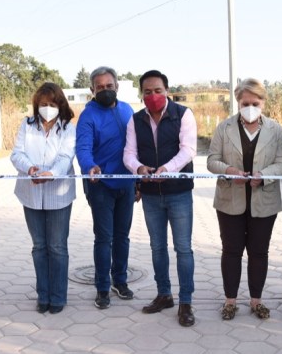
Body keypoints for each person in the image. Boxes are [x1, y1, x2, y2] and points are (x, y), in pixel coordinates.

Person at [206, 78, 282, 321]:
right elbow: (211, 160)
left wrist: (263, 176)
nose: (250, 107)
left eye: (255, 102)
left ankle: (256, 301)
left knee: (259, 252)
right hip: (230, 199)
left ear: (263, 102)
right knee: (231, 251)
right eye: (245, 103)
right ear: (238, 102)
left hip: (264, 200)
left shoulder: (275, 129)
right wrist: (230, 172)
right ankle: (230, 301)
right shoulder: (224, 127)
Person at [123, 70, 197, 327]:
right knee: (157, 248)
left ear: (167, 90)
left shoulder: (183, 114)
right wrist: (139, 169)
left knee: (183, 248)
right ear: (141, 94)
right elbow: (129, 154)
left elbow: (189, 150)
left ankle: (186, 301)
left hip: (179, 193)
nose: (152, 96)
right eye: (147, 91)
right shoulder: (135, 120)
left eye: (157, 90)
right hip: (151, 195)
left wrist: (168, 169)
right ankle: (164, 294)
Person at [11, 83, 76, 314]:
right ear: (36, 105)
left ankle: (58, 296)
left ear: (61, 105)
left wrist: (51, 174)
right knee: (39, 247)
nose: (47, 108)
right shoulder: (27, 125)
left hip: (59, 195)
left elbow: (66, 156)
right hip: (31, 193)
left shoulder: (68, 128)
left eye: (52, 104)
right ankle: (43, 295)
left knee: (57, 247)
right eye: (43, 104)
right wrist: (30, 170)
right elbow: (17, 153)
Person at [75, 66, 136, 310]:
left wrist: (139, 182)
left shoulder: (127, 110)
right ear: (92, 90)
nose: (105, 90)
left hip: (127, 185)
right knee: (104, 238)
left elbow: (135, 147)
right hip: (100, 185)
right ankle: (102, 287)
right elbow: (83, 148)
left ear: (117, 87)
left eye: (109, 86)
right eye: (100, 87)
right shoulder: (88, 115)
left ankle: (119, 281)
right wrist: (90, 166)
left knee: (123, 237)